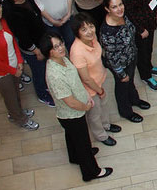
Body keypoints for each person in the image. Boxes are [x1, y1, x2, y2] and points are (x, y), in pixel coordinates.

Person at [42, 32, 113, 181]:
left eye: (60, 44)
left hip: (73, 111)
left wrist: (85, 95)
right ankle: (91, 172)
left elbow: (74, 82)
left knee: (71, 136)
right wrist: (85, 107)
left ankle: (74, 157)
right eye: (56, 47)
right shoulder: (55, 75)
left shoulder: (63, 60)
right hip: (72, 114)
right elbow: (70, 101)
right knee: (83, 143)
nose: (61, 48)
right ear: (49, 52)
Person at [69, 14, 123, 146]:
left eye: (91, 26)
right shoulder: (77, 52)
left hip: (101, 78)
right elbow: (86, 79)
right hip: (90, 89)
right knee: (94, 114)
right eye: (84, 29)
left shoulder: (93, 39)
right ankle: (101, 135)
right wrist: (99, 91)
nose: (90, 31)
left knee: (104, 106)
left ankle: (106, 125)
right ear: (77, 32)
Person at [0, 0, 39, 131]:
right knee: (10, 97)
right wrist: (13, 70)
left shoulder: (3, 22)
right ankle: (19, 119)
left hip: (15, 66)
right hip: (2, 74)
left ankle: (18, 112)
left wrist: (20, 61)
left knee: (16, 93)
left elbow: (13, 42)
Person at [2, 0, 55, 106]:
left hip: (41, 39)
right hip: (32, 48)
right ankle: (42, 94)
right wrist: (36, 51)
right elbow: (24, 38)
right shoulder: (12, 13)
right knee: (38, 71)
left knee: (44, 68)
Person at [100, 0, 151, 122]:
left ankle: (134, 99)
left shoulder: (123, 16)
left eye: (120, 4)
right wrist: (121, 74)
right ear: (107, 9)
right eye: (114, 7)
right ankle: (126, 111)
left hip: (131, 56)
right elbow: (112, 58)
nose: (119, 9)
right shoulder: (108, 32)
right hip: (120, 65)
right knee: (122, 85)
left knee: (131, 80)